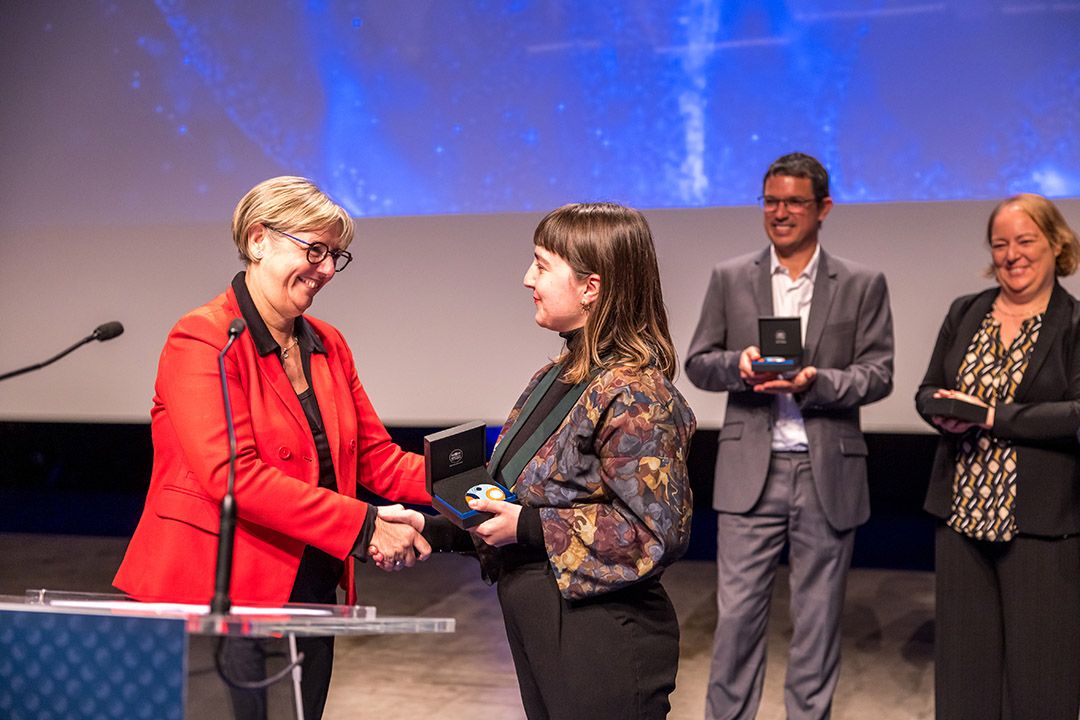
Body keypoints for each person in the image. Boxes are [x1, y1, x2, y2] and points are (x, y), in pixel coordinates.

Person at [113, 176, 431, 720]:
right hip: (221, 590)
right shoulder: (203, 338)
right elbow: (233, 476)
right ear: (258, 240)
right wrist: (365, 525)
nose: (327, 270)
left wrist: (485, 484)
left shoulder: (328, 343)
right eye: (314, 250)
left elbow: (376, 457)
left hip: (310, 588)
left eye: (336, 256)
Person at [422, 202, 695, 719]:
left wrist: (526, 528)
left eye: (542, 265)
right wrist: (433, 529)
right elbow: (517, 505)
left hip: (601, 640)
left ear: (591, 287)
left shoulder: (636, 395)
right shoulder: (560, 375)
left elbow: (654, 534)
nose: (528, 279)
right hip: (547, 629)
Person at [685, 152, 894, 719]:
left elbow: (879, 374)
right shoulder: (731, 278)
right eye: (771, 201)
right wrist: (740, 367)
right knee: (735, 620)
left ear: (823, 208)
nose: (780, 213)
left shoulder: (860, 283)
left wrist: (816, 381)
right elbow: (699, 362)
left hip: (826, 468)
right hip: (751, 468)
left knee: (819, 621)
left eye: (794, 202)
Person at [915, 193, 1080, 719]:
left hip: (1040, 525)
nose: (1012, 254)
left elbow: (1076, 414)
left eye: (1025, 240)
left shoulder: (1073, 324)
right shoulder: (967, 310)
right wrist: (942, 410)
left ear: (1056, 243)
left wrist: (990, 416)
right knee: (964, 686)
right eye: (1000, 243)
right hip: (962, 518)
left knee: (1042, 684)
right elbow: (927, 391)